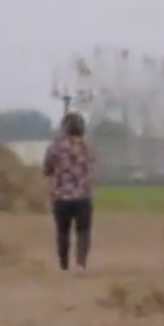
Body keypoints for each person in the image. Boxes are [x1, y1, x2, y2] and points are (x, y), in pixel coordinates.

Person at [42, 112, 95, 271]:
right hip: (83, 196)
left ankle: (64, 265)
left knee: (62, 232)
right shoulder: (87, 147)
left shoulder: (54, 148)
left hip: (61, 197)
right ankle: (80, 264)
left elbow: (47, 170)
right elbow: (93, 167)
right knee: (83, 232)